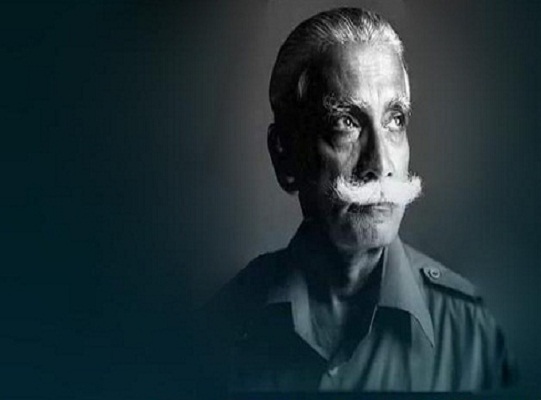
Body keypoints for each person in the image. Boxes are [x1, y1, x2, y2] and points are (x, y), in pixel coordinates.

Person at [196, 7, 517, 394]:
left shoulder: (471, 335)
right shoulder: (219, 332)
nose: (380, 165)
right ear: (285, 154)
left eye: (395, 120)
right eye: (345, 122)